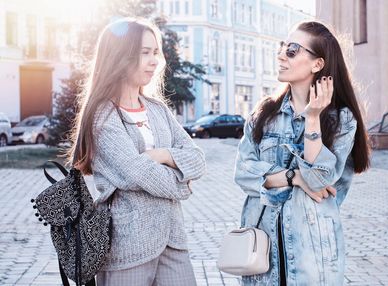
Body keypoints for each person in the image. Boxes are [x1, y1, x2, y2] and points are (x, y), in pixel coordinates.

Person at [67, 18, 205, 286]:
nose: (155, 61)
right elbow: (137, 173)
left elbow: (198, 159)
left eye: (156, 52)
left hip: (173, 239)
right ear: (119, 56)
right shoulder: (103, 116)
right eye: (145, 53)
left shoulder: (157, 109)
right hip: (127, 244)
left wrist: (163, 154)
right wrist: (183, 184)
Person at [234, 21, 370, 285]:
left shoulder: (341, 120)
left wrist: (312, 118)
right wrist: (293, 177)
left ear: (317, 64)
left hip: (314, 255)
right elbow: (242, 173)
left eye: (293, 49)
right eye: (282, 46)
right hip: (262, 252)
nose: (281, 55)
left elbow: (319, 181)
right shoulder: (264, 115)